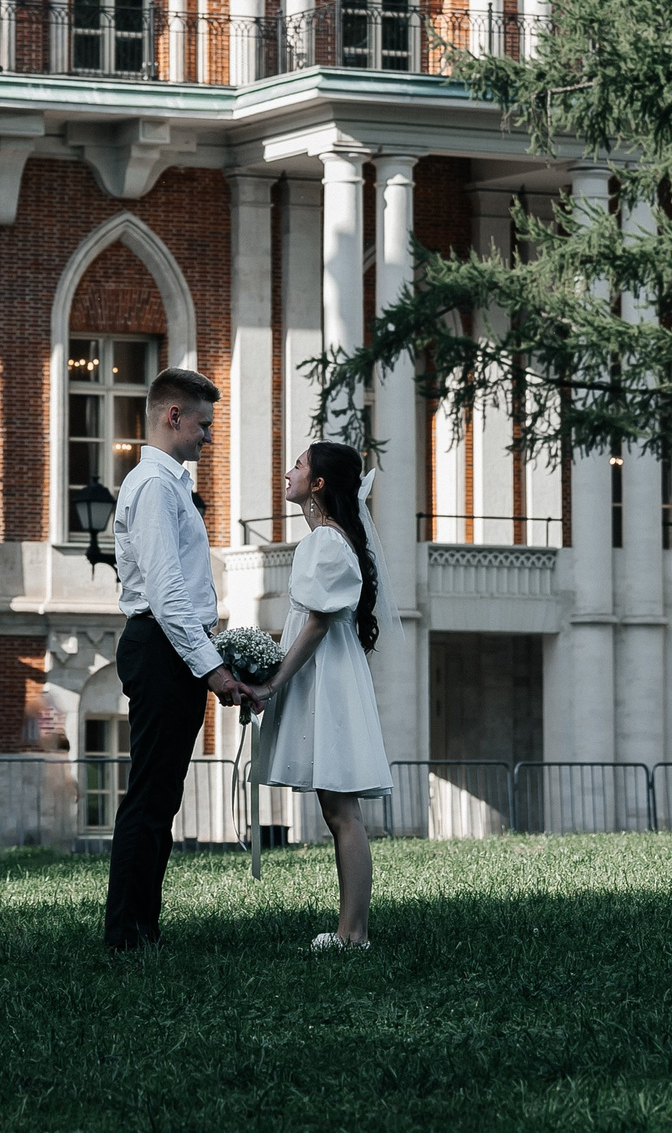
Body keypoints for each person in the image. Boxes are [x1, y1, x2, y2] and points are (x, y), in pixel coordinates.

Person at [102, 366, 247, 952]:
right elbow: (166, 592)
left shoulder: (166, 485)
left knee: (160, 795)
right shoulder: (156, 486)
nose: (208, 437)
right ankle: (128, 934)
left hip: (165, 648)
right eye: (204, 425)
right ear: (173, 416)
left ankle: (140, 926)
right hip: (160, 648)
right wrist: (210, 667)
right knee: (151, 795)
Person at [248, 441, 393, 950]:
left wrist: (271, 682)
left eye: (299, 465)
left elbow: (313, 626)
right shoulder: (327, 541)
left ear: (318, 485)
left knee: (341, 811)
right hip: (327, 672)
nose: (288, 472)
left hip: (326, 677)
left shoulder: (325, 543)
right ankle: (351, 929)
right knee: (338, 810)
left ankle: (353, 933)